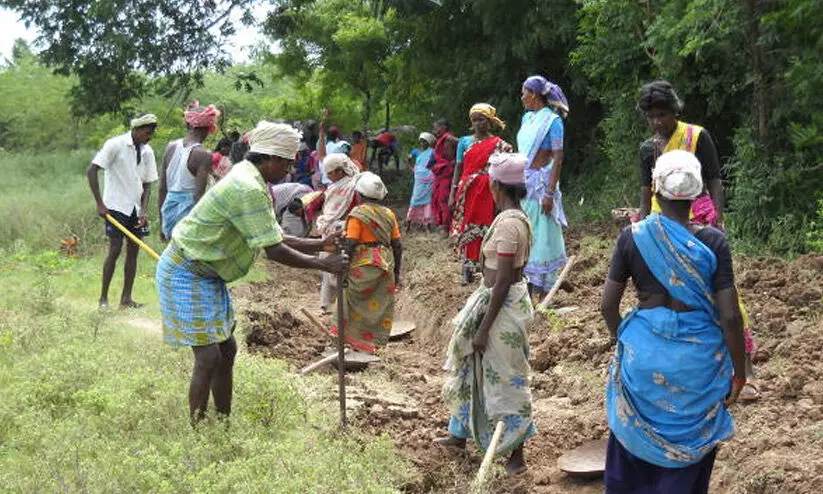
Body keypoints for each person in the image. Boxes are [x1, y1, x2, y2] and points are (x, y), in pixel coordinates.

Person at [156, 121, 348, 425]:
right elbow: (274, 250)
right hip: (187, 271)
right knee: (208, 358)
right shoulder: (247, 186)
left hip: (208, 274)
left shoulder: (254, 180)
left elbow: (272, 235)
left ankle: (222, 424)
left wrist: (319, 244)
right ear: (269, 158)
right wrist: (323, 263)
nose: (289, 169)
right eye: (287, 162)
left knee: (227, 349)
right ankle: (198, 433)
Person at [601, 150, 746, 493]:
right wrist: (740, 373)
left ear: (654, 188)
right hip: (697, 364)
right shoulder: (713, 241)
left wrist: (623, 341)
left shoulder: (633, 237)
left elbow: (608, 306)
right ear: (698, 194)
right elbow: (729, 316)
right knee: (688, 458)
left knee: (630, 445)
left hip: (643, 357)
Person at [636, 80, 759, 402]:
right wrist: (642, 226)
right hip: (664, 222)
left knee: (726, 296)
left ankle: (745, 367)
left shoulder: (696, 136)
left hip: (699, 217)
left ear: (675, 111)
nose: (658, 122)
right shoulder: (648, 149)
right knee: (671, 293)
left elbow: (715, 179)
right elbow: (646, 193)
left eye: (663, 114)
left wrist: (717, 221)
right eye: (651, 116)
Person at [436, 153, 535, 475]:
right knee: (472, 367)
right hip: (497, 302)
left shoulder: (508, 224)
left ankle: (516, 453)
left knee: (506, 377)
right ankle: (459, 432)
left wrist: (483, 328)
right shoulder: (514, 217)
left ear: (495, 185)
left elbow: (504, 279)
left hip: (502, 309)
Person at [86, 113, 159, 309]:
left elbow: (148, 185)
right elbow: (92, 170)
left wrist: (143, 212)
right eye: (147, 132)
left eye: (152, 133)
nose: (149, 136)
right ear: (135, 129)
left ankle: (126, 299)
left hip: (135, 208)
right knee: (115, 249)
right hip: (115, 206)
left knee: (133, 251)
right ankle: (103, 298)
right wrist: (100, 203)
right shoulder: (115, 144)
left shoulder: (148, 152)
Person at [329, 172, 402, 353]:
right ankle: (370, 344)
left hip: (362, 264)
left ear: (359, 195)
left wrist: (343, 269)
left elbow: (351, 243)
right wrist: (397, 272)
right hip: (385, 264)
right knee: (378, 304)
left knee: (348, 299)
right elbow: (397, 245)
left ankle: (347, 340)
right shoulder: (389, 214)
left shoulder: (358, 214)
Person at [517, 75, 570, 300]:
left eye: (524, 93)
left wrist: (549, 192)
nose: (522, 98)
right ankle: (528, 285)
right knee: (528, 233)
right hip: (525, 183)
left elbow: (557, 158)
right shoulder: (527, 119)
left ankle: (545, 290)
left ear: (534, 95)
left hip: (542, 186)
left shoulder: (553, 121)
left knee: (544, 236)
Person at [450, 103, 513, 285]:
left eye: (482, 120)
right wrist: (453, 193)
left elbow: (505, 170)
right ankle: (467, 268)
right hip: (468, 191)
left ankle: (488, 268)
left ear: (490, 121)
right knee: (468, 228)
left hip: (490, 190)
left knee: (490, 226)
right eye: (475, 120)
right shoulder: (464, 142)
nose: (478, 124)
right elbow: (458, 167)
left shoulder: (500, 145)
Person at [158, 103, 220, 240]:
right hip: (188, 213)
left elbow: (162, 188)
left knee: (173, 255)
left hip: (169, 209)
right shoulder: (203, 154)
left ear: (188, 125)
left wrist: (162, 222)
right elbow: (198, 195)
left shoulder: (170, 147)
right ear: (208, 129)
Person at [314, 153, 362, 314]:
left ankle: (345, 308)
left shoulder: (353, 186)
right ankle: (328, 306)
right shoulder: (334, 187)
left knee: (342, 268)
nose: (328, 177)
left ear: (340, 171)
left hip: (346, 231)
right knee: (327, 266)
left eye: (330, 173)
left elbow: (355, 210)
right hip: (330, 231)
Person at [431, 119, 459, 238]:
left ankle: (446, 228)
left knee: (445, 200)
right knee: (439, 199)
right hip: (441, 173)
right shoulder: (439, 140)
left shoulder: (448, 138)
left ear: (444, 127)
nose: (434, 130)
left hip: (448, 173)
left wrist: (456, 161)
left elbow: (462, 143)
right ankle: (445, 226)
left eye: (436, 127)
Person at [405, 132, 437, 231]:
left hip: (430, 178)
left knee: (428, 201)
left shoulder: (433, 152)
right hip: (419, 178)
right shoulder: (415, 151)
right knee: (414, 200)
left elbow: (435, 162)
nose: (423, 143)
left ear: (429, 143)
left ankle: (427, 223)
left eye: (425, 141)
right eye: (421, 141)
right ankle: (409, 222)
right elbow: (409, 159)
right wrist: (413, 169)